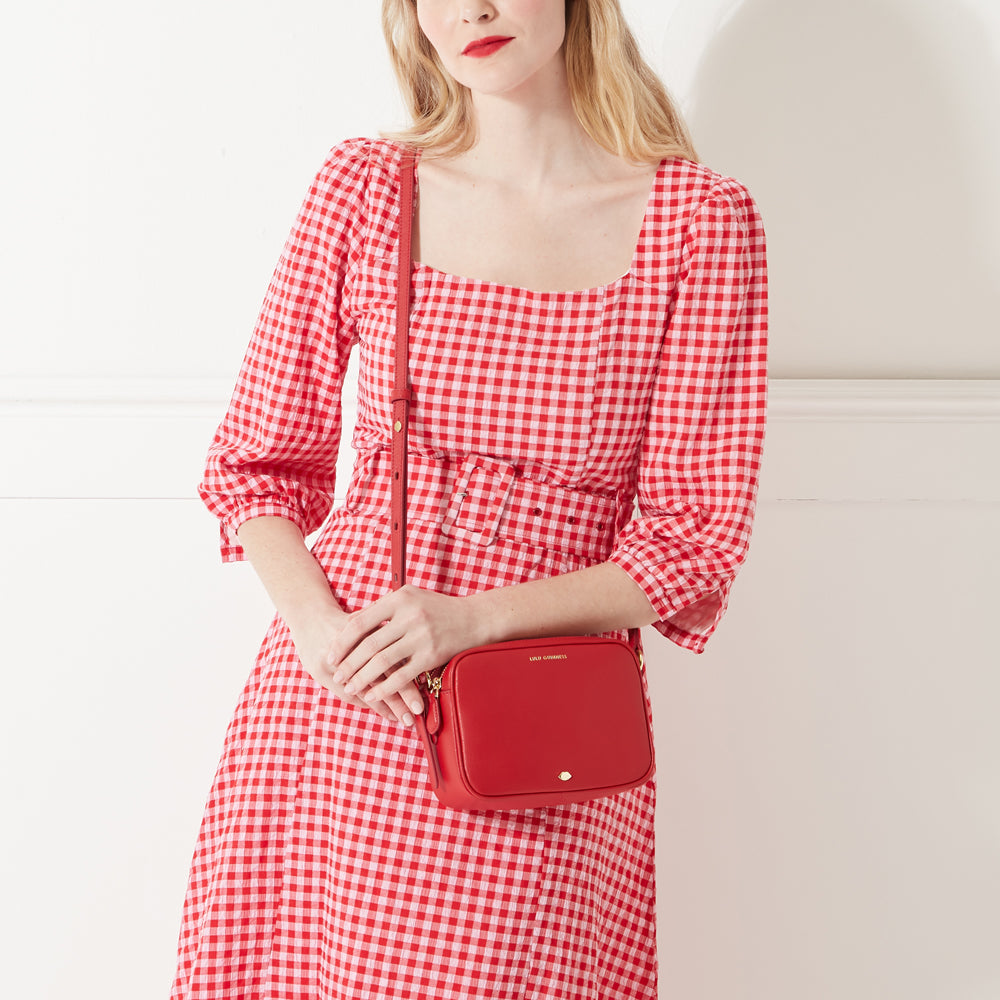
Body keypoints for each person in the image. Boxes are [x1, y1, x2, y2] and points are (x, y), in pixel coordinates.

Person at [170, 0, 767, 997]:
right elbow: (257, 466)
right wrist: (321, 631)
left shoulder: (698, 223)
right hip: (348, 696)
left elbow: (693, 538)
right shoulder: (366, 189)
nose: (471, 9)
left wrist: (472, 619)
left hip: (538, 719)